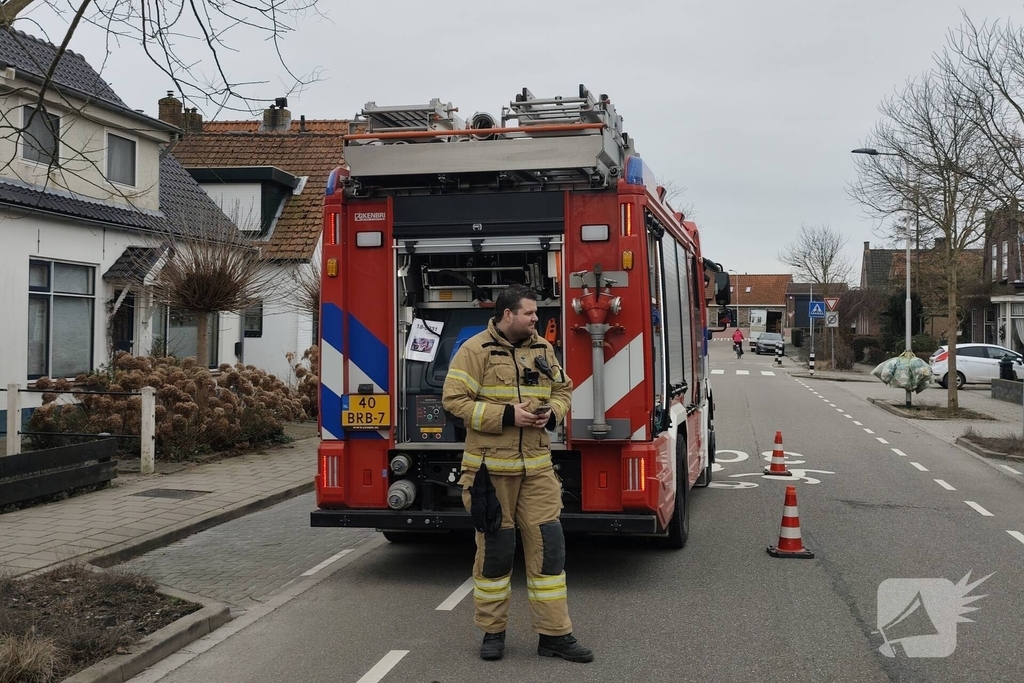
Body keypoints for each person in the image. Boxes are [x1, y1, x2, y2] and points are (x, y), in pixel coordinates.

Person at [442, 284, 592, 664]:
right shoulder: (475, 351)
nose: (536, 319)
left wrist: (552, 413)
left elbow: (564, 389)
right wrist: (507, 415)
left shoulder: (543, 348)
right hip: (490, 473)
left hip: (538, 468)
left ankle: (555, 637)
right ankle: (493, 633)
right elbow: (454, 401)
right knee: (496, 552)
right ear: (508, 315)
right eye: (529, 314)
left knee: (550, 550)